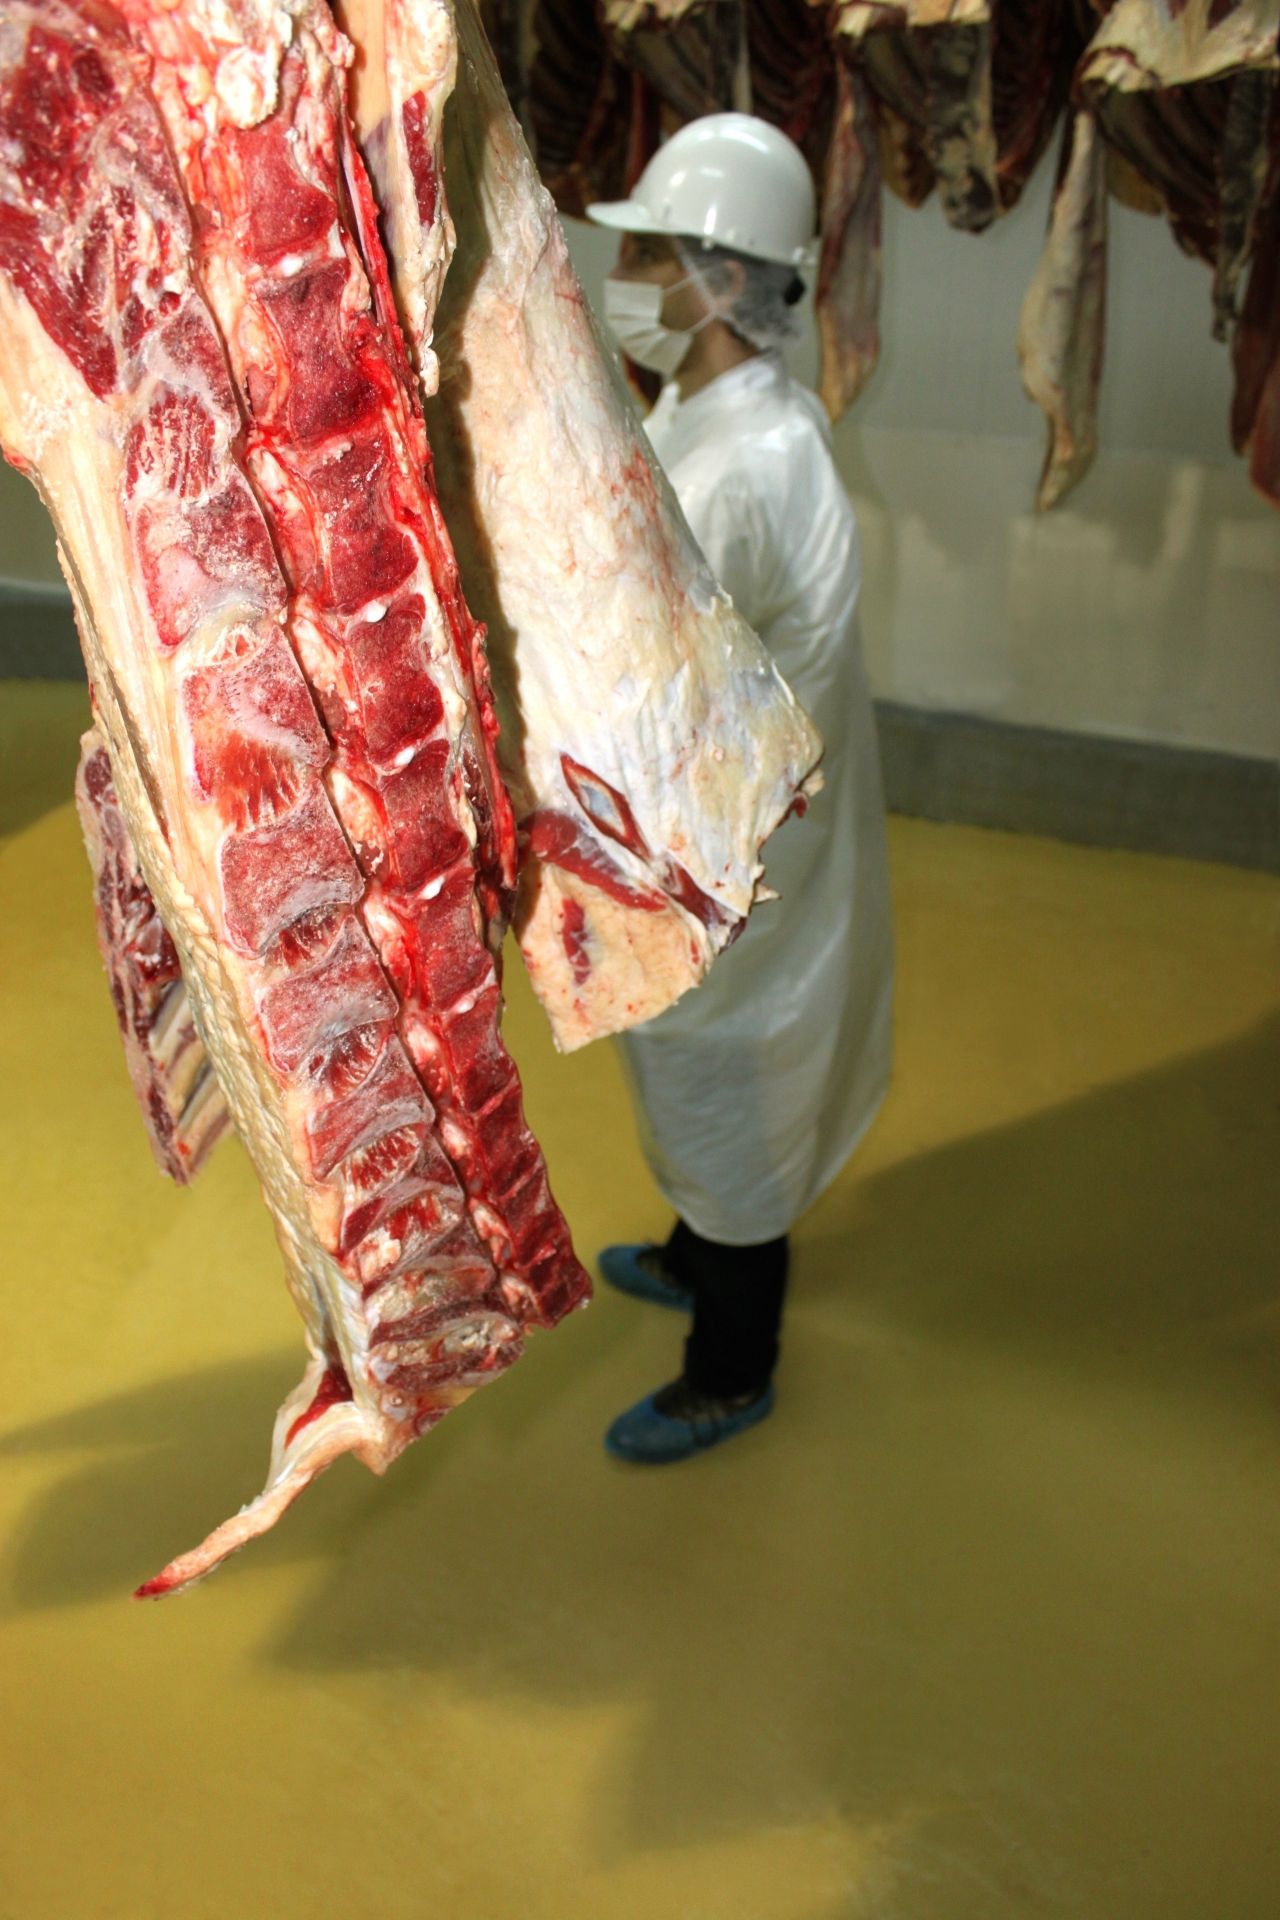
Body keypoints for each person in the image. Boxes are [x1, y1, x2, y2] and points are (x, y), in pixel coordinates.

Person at [586, 113, 894, 1464]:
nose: (629, 276)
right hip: (736, 819)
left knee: (728, 1078)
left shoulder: (738, 463)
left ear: (716, 280)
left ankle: (730, 1364)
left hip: (732, 846)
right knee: (695, 1064)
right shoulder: (736, 409)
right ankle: (691, 1245)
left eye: (647, 253)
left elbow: (645, 664)